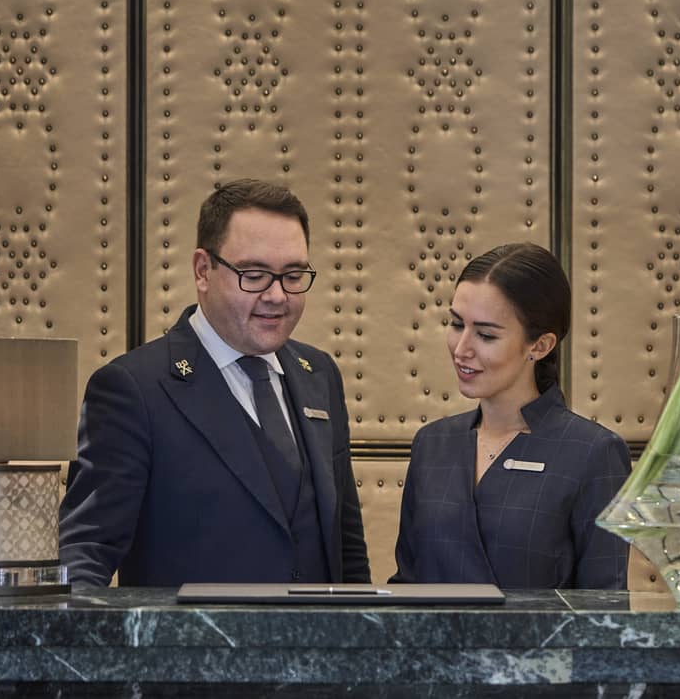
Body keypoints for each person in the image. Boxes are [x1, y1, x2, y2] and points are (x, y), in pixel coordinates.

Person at [59, 178, 369, 588]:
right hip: (191, 650)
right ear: (203, 270)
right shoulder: (134, 389)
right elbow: (84, 551)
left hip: (318, 650)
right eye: (255, 274)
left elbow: (346, 546)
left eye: (293, 275)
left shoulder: (320, 374)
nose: (277, 295)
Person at [391, 243, 630, 589]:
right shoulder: (433, 444)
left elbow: (604, 613)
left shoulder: (593, 453)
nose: (461, 349)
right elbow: (406, 588)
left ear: (541, 345)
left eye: (486, 335)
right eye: (457, 324)